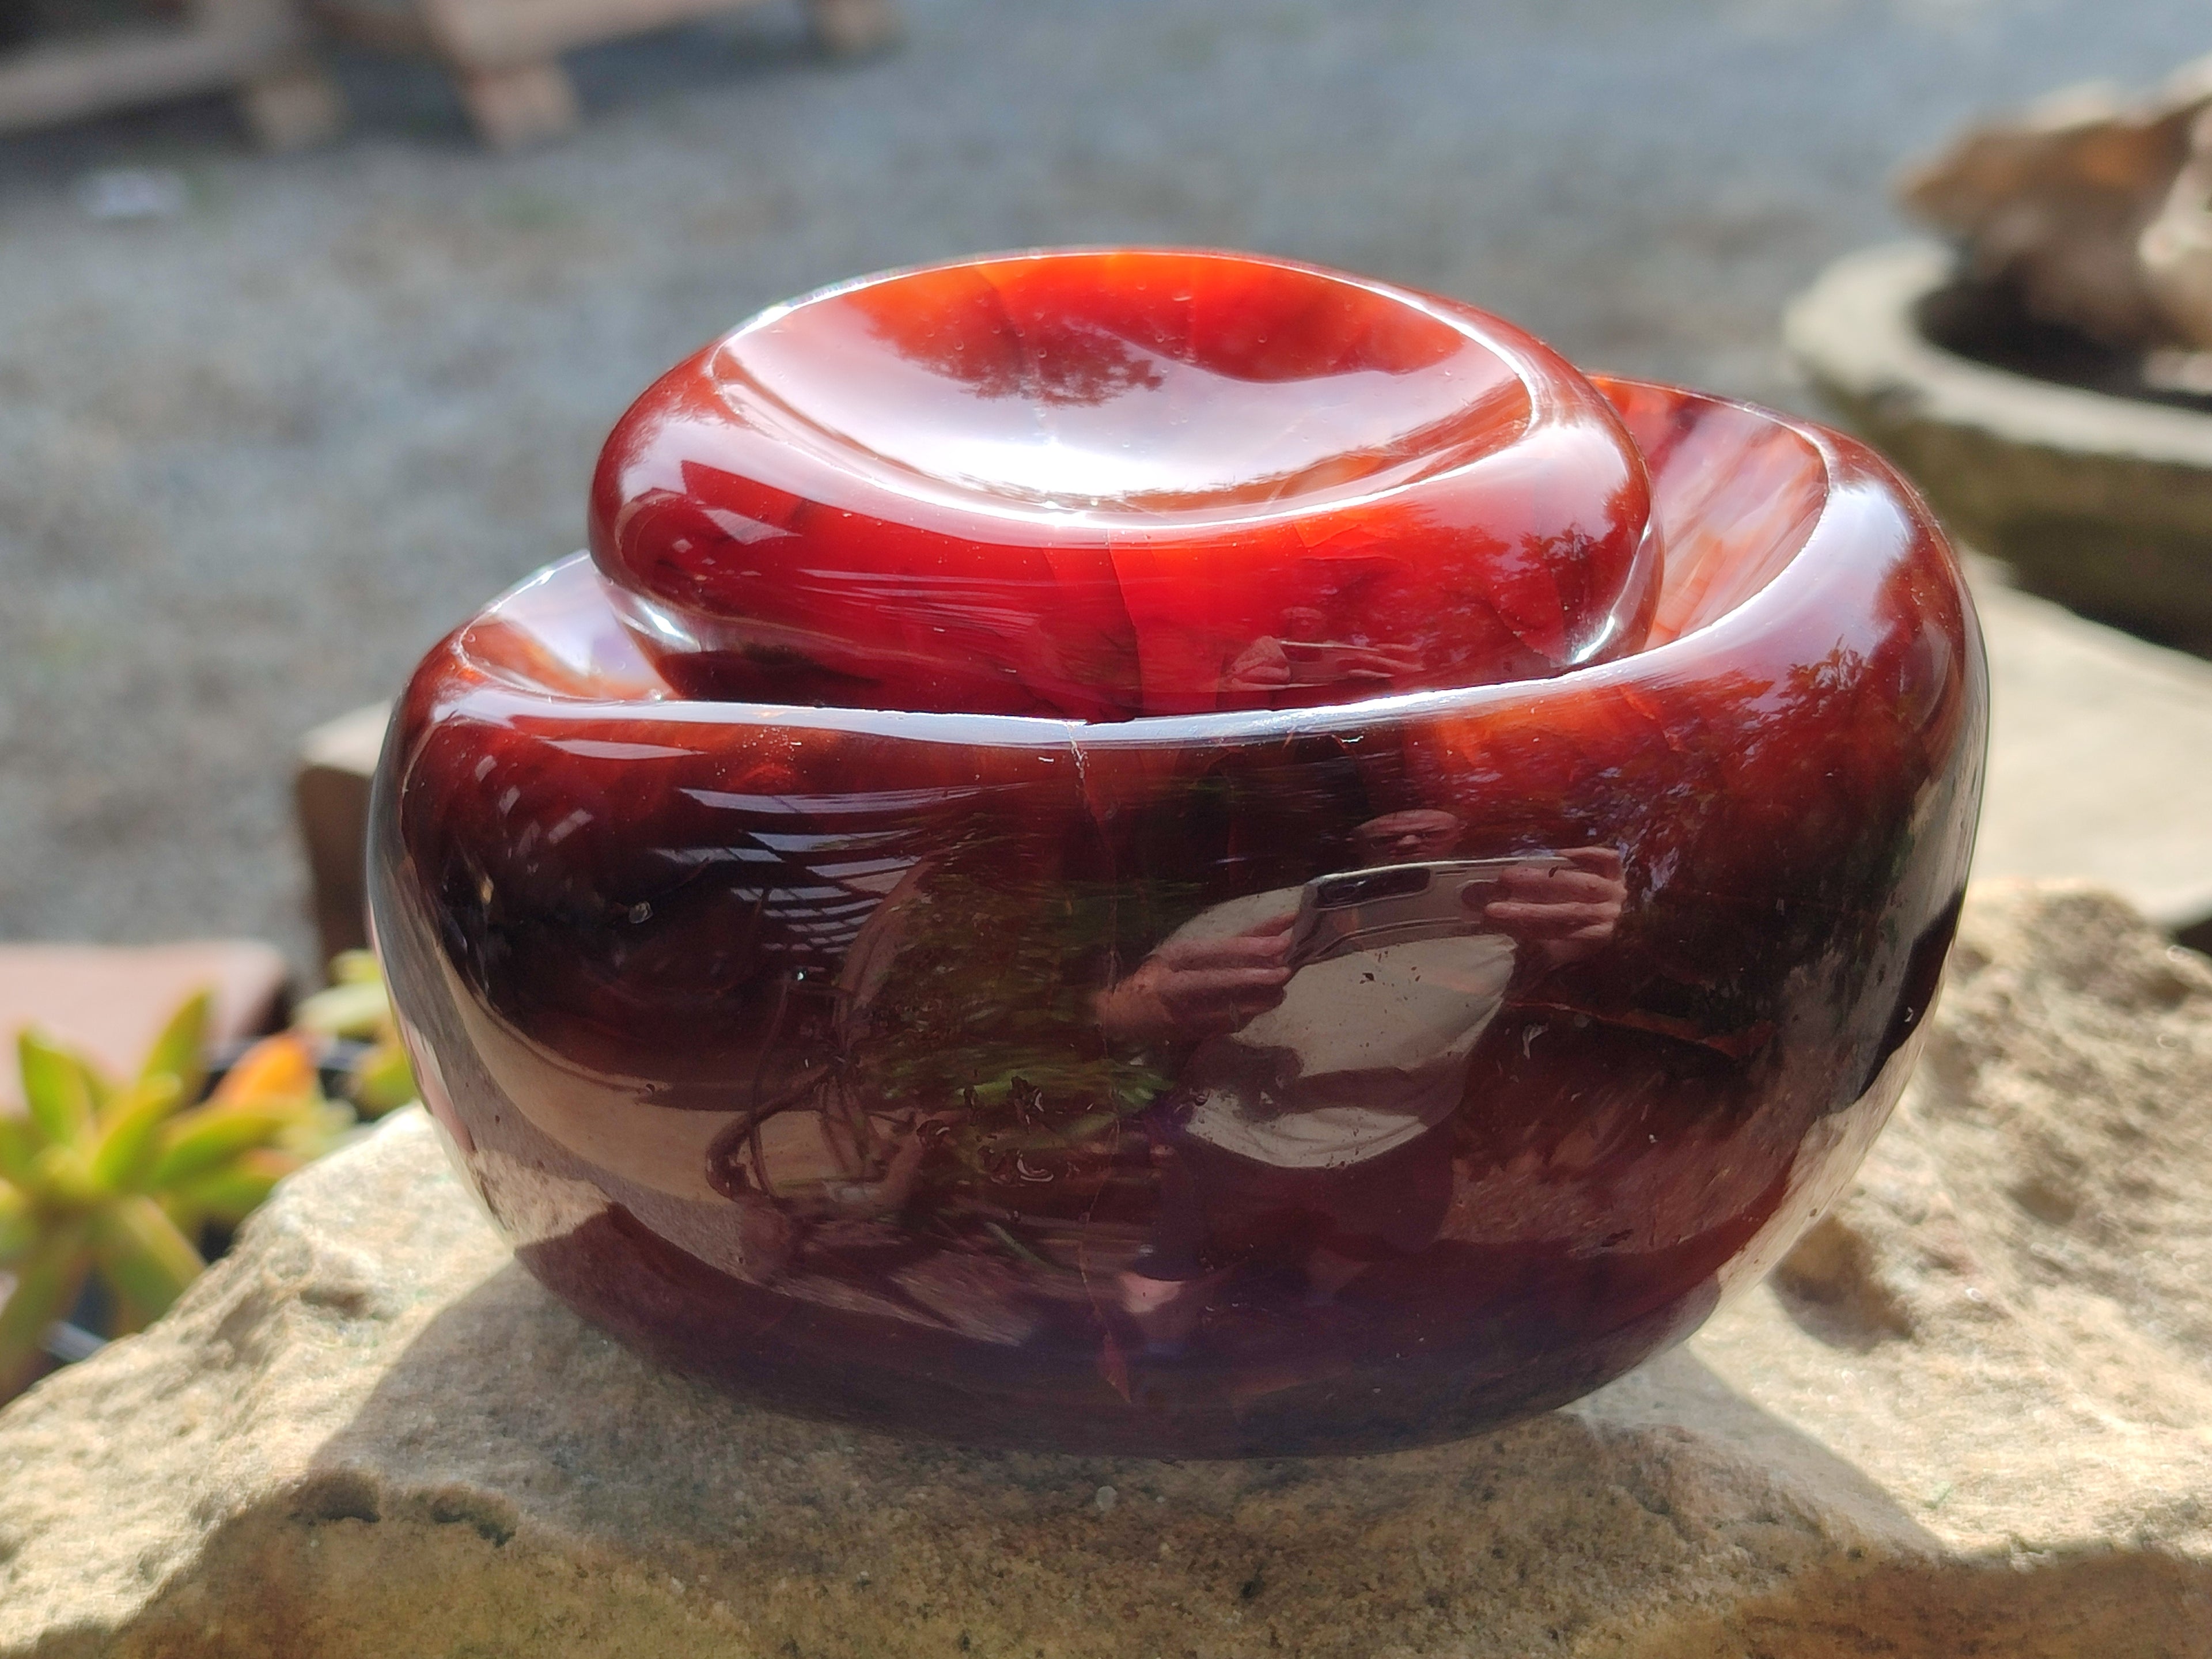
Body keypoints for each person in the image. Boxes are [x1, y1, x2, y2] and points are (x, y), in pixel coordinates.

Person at [1094, 812, 1626, 1352]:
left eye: (1428, 832)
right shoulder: (1259, 911)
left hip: (1401, 1141)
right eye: (1388, 833)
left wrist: (1601, 920)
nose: (1409, 843)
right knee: (1165, 1281)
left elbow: (1579, 963)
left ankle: (1311, 1309)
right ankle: (1165, 1361)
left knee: (1357, 1249)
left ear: (1460, 831)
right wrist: (1156, 1008)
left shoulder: (1505, 913)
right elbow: (1116, 1011)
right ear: (1355, 839)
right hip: (1233, 1140)